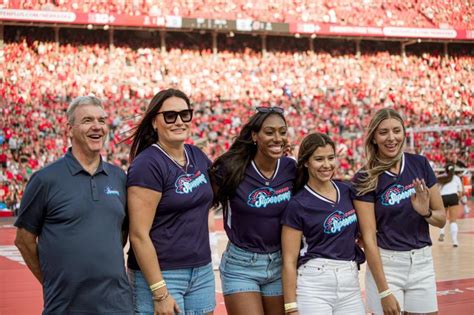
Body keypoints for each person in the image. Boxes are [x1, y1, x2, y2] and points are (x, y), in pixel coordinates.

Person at [14, 96, 133, 314]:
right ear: (70, 129)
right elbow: (24, 240)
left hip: (118, 305)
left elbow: (122, 230)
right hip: (65, 307)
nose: (97, 126)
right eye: (87, 120)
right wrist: (51, 282)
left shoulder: (119, 177)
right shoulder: (45, 180)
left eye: (102, 120)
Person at [127, 88, 215, 315]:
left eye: (185, 114)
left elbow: (230, 183)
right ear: (155, 122)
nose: (179, 121)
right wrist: (160, 292)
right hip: (163, 274)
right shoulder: (147, 164)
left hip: (202, 271)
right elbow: (138, 234)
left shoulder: (196, 155)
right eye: (170, 116)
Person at [352, 108, 446, 315]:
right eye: (383, 132)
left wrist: (426, 213)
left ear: (404, 133)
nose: (391, 138)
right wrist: (384, 291)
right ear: (374, 138)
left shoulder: (420, 164)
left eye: (396, 130)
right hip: (387, 265)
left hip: (422, 262)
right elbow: (369, 239)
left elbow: (441, 220)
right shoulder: (364, 178)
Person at [210, 106, 296, 315]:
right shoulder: (231, 168)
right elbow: (200, 202)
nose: (278, 138)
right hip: (241, 265)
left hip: (279, 264)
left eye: (282, 132)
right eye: (269, 132)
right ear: (254, 135)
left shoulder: (290, 168)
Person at [281, 133, 365, 315]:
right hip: (314, 286)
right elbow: (288, 260)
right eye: (319, 159)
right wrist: (290, 307)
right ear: (305, 162)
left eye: (330, 158)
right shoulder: (297, 204)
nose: (326, 165)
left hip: (350, 283)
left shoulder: (346, 191)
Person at [438, 163, 463, 247]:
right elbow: (460, 192)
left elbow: (437, 190)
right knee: (453, 220)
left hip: (443, 197)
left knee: (443, 217)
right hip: (453, 196)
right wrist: (457, 200)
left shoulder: (441, 178)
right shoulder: (457, 178)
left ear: (445, 170)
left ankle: (441, 232)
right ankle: (455, 241)